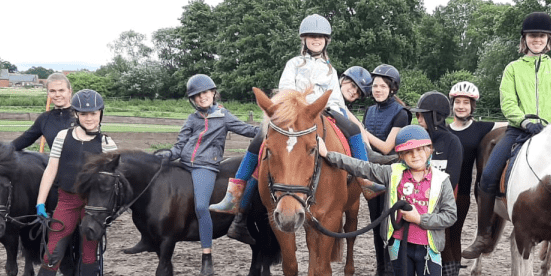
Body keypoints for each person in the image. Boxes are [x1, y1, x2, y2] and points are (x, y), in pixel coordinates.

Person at [209, 14, 377, 242]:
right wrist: (298, 107)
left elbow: (336, 98)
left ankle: (365, 180)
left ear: (326, 40)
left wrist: (332, 111)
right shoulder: (294, 64)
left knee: (353, 130)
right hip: (294, 113)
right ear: (304, 39)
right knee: (259, 140)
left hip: (324, 111)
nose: (316, 40)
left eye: (320, 37)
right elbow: (285, 90)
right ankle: (236, 194)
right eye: (312, 36)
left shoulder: (330, 69)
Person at [463, 11, 551, 259]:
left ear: (548, 40)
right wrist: (524, 120)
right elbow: (508, 102)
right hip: (518, 129)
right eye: (532, 36)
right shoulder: (512, 68)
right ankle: (483, 235)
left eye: (542, 36)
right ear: (525, 39)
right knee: (489, 174)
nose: (537, 40)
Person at [318, 125, 456, 276]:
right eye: (408, 151)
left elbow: (450, 216)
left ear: (429, 150)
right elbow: (362, 167)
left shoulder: (442, 180)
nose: (415, 155)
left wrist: (419, 219)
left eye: (420, 149)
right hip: (399, 245)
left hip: (430, 249)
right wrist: (328, 154)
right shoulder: (392, 172)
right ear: (401, 155)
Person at [160, 74, 260, 275]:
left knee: (200, 206)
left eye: (205, 92)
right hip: (183, 164)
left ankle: (207, 257)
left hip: (204, 167)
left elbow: (247, 129)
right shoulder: (192, 118)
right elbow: (179, 146)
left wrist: (269, 130)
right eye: (196, 95)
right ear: (192, 99)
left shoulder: (223, 116)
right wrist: (167, 154)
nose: (201, 97)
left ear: (213, 93)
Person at [35, 89, 117, 276]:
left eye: (94, 113)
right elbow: (51, 170)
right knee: (53, 251)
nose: (89, 118)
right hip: (67, 200)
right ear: (76, 114)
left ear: (101, 114)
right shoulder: (63, 137)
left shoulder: (107, 144)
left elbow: (112, 182)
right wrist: (40, 201)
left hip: (92, 205)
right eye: (84, 114)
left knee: (89, 254)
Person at [445, 82, 508, 270]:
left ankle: (452, 271)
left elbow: (509, 124)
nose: (461, 106)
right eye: (458, 102)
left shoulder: (481, 128)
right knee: (440, 236)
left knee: (454, 235)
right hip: (439, 191)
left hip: (462, 193)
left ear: (472, 106)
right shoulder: (444, 129)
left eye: (466, 102)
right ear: (452, 104)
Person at [362, 63, 411, 275]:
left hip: (392, 174)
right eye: (375, 86)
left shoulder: (402, 113)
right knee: (375, 224)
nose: (378, 90)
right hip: (372, 173)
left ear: (392, 88)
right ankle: (380, 268)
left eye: (382, 86)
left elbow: (386, 147)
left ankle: (392, 268)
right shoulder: (369, 111)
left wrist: (360, 130)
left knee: (390, 224)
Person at [409, 91, 464, 275]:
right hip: (417, 203)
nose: (418, 118)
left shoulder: (452, 142)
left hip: (441, 205)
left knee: (445, 244)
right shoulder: (418, 140)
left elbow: (452, 179)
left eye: (420, 114)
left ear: (434, 115)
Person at [11, 73, 74, 151]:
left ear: (69, 92)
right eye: (52, 91)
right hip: (55, 163)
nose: (57, 95)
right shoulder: (45, 119)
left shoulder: (81, 116)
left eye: (61, 90)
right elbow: (23, 141)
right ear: (48, 93)